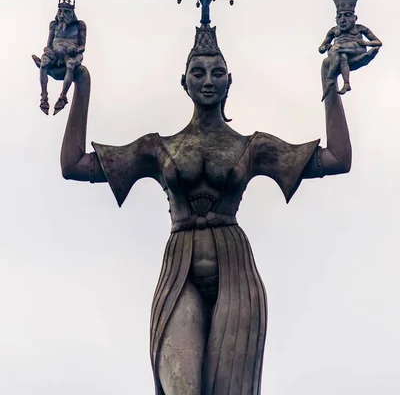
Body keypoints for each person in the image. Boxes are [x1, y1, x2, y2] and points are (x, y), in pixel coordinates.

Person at [53, 23, 351, 395]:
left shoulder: (252, 147)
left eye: (217, 73)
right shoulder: (157, 148)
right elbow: (74, 165)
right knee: (182, 386)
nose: (208, 80)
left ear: (229, 81)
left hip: (235, 272)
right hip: (180, 270)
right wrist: (81, 85)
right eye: (198, 73)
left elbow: (338, 158)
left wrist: (330, 84)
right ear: (185, 82)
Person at [319, 0, 382, 101]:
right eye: (339, 16)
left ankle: (330, 78)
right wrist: (325, 47)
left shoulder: (359, 29)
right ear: (336, 18)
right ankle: (346, 83)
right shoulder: (334, 31)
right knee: (340, 54)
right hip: (339, 55)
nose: (343, 20)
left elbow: (378, 42)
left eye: (347, 15)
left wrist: (365, 43)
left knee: (338, 49)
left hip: (355, 50)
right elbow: (321, 48)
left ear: (355, 17)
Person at [33, 0, 86, 115]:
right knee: (44, 62)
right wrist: (48, 50)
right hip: (55, 55)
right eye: (60, 11)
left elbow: (82, 46)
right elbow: (49, 44)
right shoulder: (54, 25)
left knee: (71, 64)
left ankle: (63, 97)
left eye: (66, 12)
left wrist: (75, 49)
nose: (62, 15)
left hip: (71, 54)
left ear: (72, 13)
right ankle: (44, 97)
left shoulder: (79, 25)